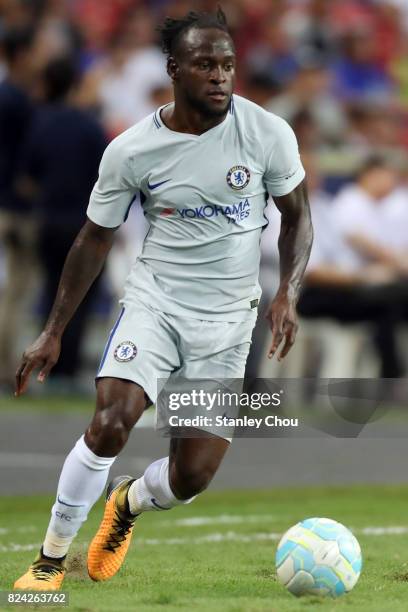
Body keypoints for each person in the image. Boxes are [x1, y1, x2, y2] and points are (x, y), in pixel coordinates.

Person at [13, 8, 312, 591]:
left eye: (227, 64)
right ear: (174, 70)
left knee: (191, 477)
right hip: (155, 305)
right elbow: (93, 238)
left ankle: (128, 503)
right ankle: (49, 562)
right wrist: (53, 331)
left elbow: (298, 217)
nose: (220, 76)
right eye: (205, 64)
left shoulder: (267, 132)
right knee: (111, 422)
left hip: (228, 322)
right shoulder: (131, 150)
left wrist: (288, 293)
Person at [18, 55, 108, 384]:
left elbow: (26, 179)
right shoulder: (90, 126)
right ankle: (66, 370)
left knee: (50, 293)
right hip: (86, 225)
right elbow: (107, 178)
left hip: (47, 221)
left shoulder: (39, 123)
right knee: (80, 296)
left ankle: (43, 364)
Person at [0, 26, 37, 389]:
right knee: (16, 289)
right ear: (21, 55)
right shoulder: (20, 101)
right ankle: (4, 365)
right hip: (13, 208)